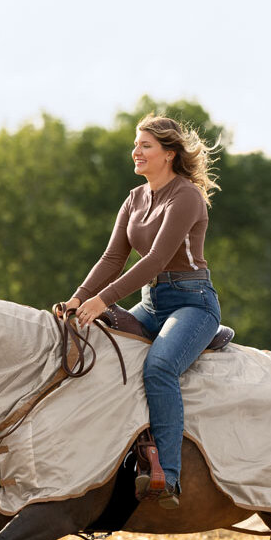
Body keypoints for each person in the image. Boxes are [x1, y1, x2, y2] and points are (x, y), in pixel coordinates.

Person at [65, 115, 221, 506]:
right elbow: (113, 256)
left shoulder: (186, 196)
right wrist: (79, 298)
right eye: (136, 144)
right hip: (152, 303)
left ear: (169, 154)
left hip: (192, 303)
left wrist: (103, 300)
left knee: (159, 367)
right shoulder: (135, 197)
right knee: (101, 347)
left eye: (146, 145)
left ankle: (166, 475)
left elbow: (155, 259)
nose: (136, 151)